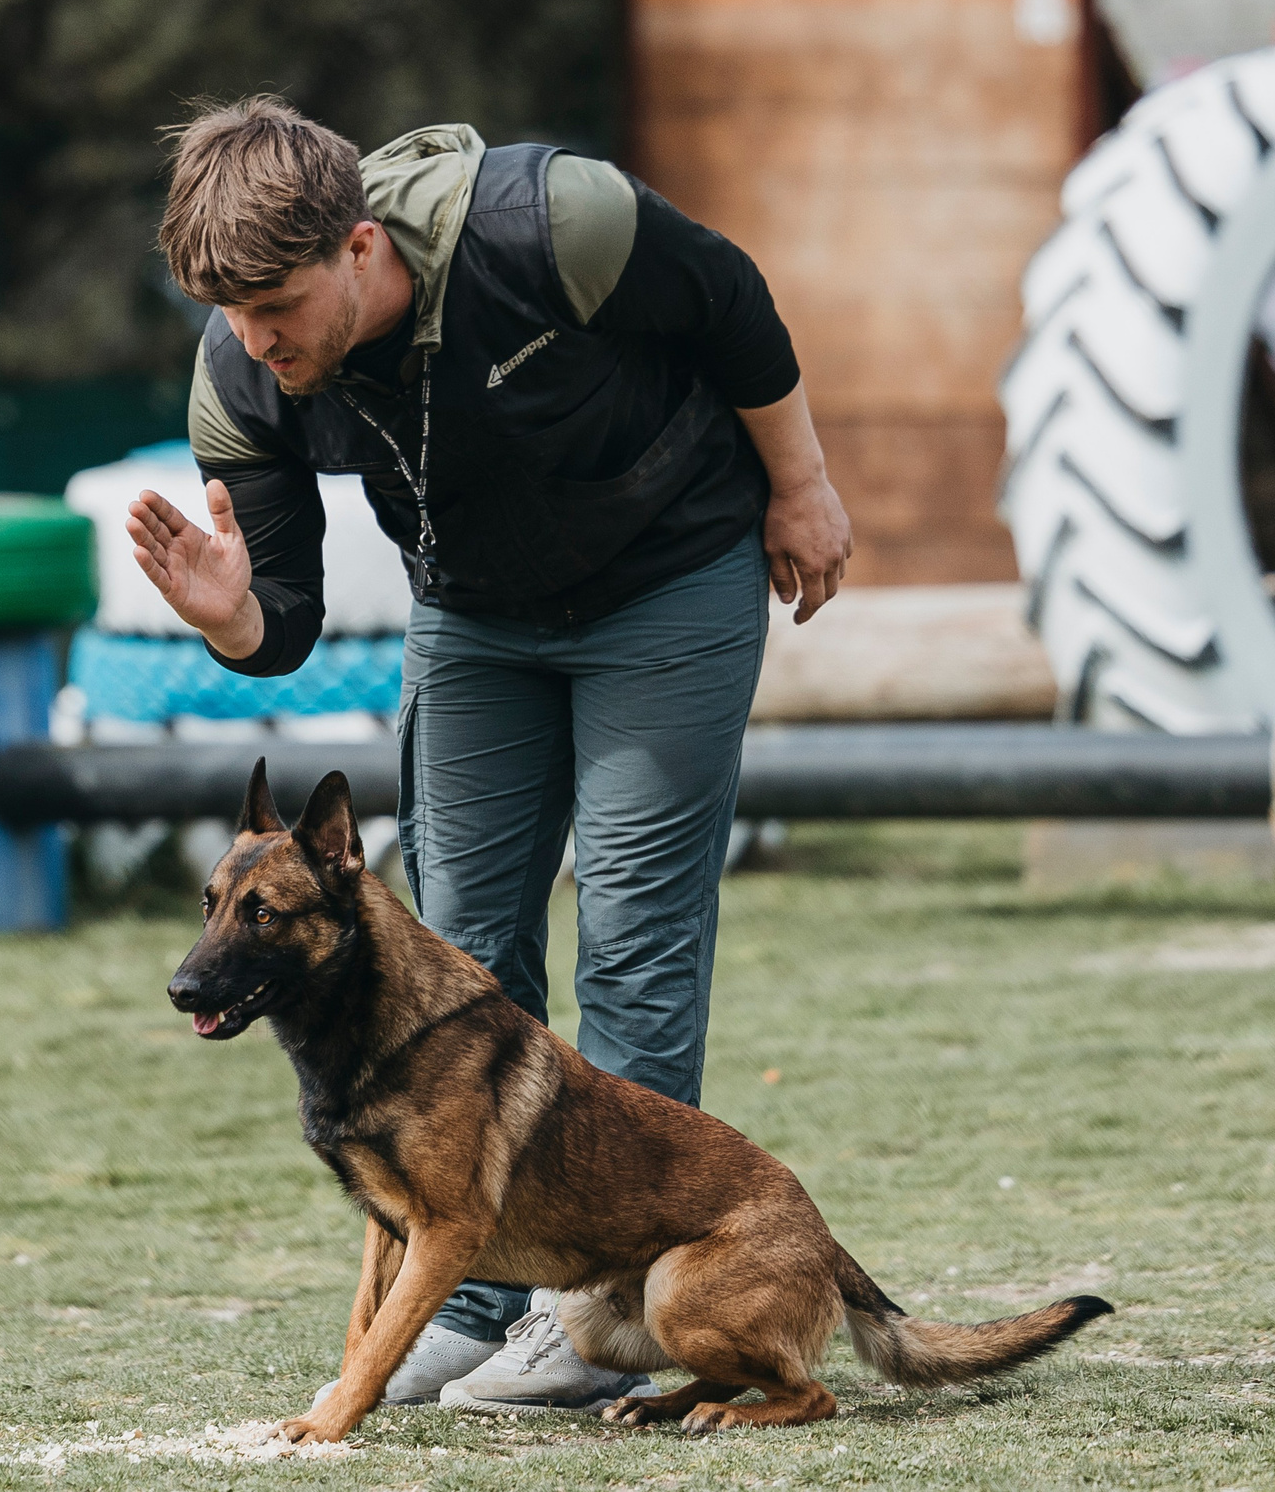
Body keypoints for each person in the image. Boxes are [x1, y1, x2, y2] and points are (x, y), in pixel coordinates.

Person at [129, 96, 851, 1415]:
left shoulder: (545, 224)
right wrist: (235, 615)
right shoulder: (241, 370)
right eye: (229, 316)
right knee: (454, 952)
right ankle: (465, 1300)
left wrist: (798, 485)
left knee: (631, 932)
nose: (254, 341)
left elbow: (731, 300)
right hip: (475, 615)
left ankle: (594, 1316)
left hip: (669, 579)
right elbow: (280, 610)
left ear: (357, 249)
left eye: (276, 306)